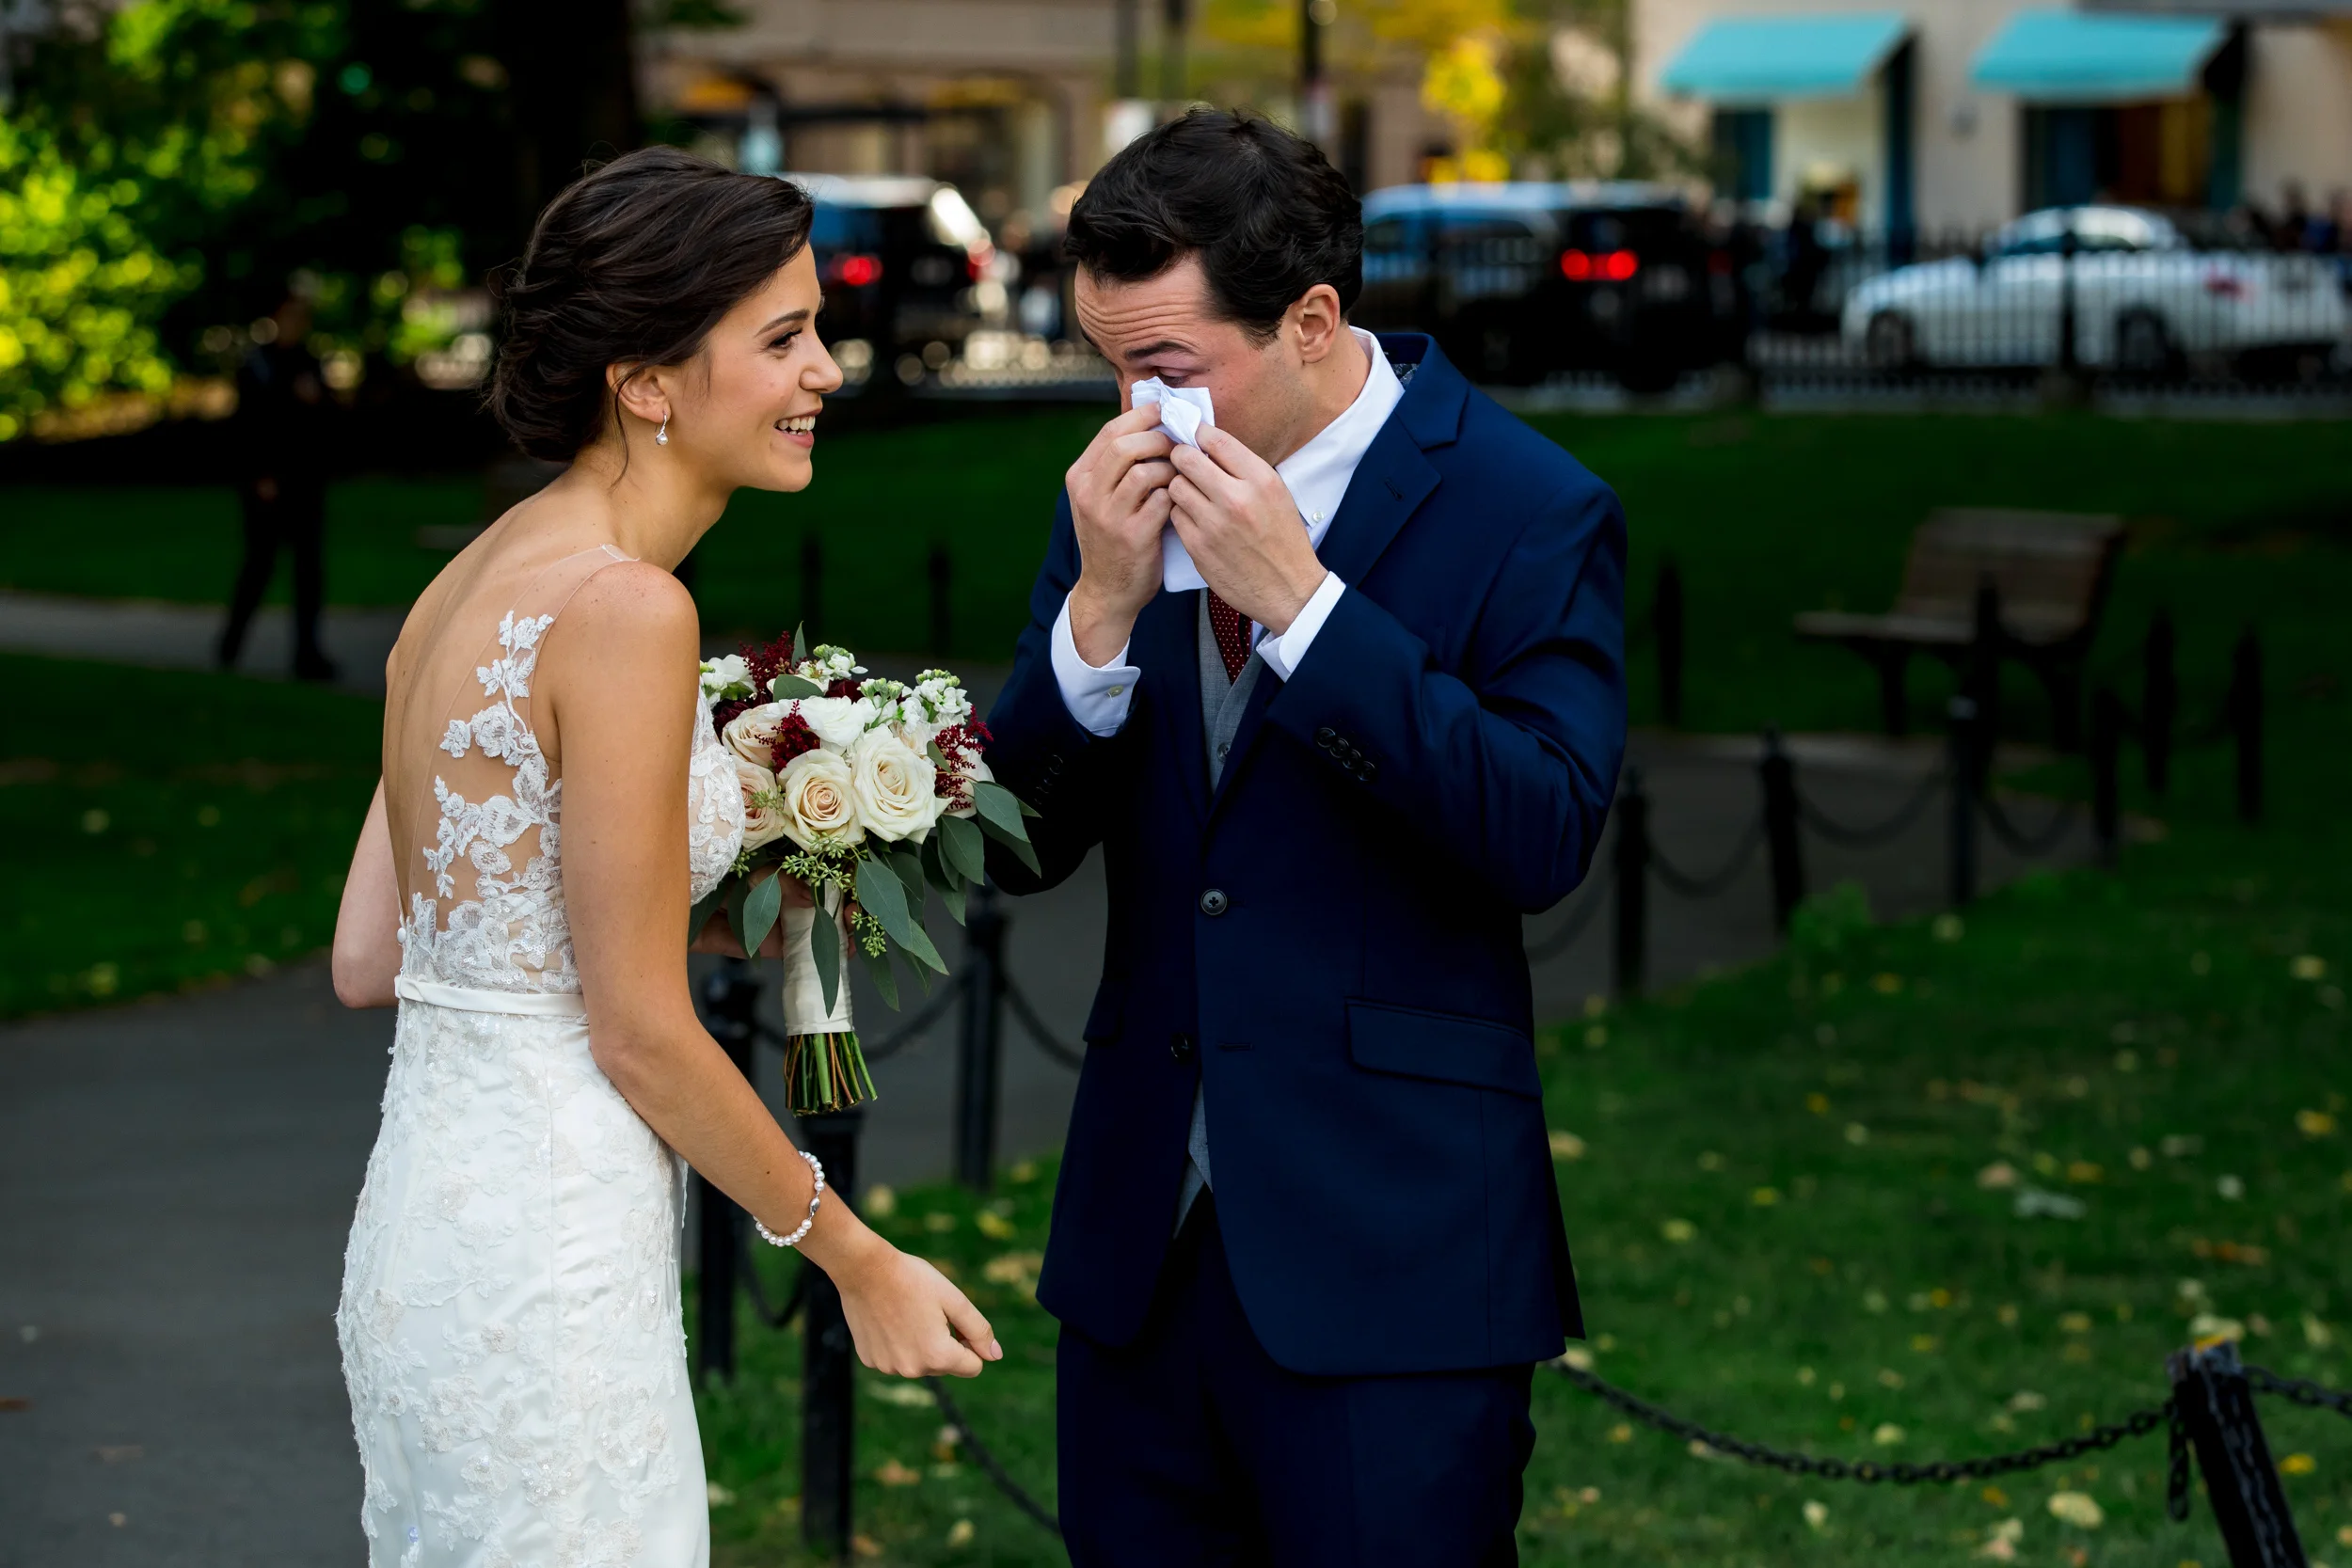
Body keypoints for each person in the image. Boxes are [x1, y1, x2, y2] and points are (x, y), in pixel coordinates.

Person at [326, 147, 999, 1565]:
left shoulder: (470, 577)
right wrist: (853, 1256)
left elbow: (375, 955)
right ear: (645, 381)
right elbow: (635, 1032)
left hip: (426, 1240)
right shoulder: (629, 612)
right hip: (554, 1258)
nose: (826, 368)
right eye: (782, 338)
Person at [983, 110, 1627, 1564]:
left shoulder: (1530, 507)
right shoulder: (1115, 501)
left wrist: (1312, 616)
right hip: (1138, 1253)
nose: (1131, 407)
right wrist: (1092, 621)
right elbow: (1016, 844)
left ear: (1314, 319)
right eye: (1108, 362)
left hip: (1394, 1255)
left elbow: (1541, 830)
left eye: (1164, 366)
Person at [218, 289, 337, 681]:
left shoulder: (309, 364)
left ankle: (307, 655)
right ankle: (230, 647)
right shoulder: (259, 364)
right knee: (258, 567)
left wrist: (316, 401)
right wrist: (260, 476)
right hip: (268, 487)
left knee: (308, 572)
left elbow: (330, 419)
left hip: (305, 484)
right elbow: (249, 426)